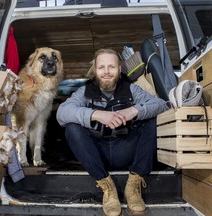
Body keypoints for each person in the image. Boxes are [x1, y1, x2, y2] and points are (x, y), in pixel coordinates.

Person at [56, 48, 169, 216]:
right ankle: (108, 188)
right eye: (101, 67)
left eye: (112, 67)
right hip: (97, 155)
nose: (107, 72)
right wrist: (96, 114)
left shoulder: (131, 89)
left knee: (151, 119)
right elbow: (61, 114)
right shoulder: (84, 92)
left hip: (126, 150)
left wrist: (133, 111)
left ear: (119, 69)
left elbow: (161, 104)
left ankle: (133, 186)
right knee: (72, 128)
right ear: (95, 70)